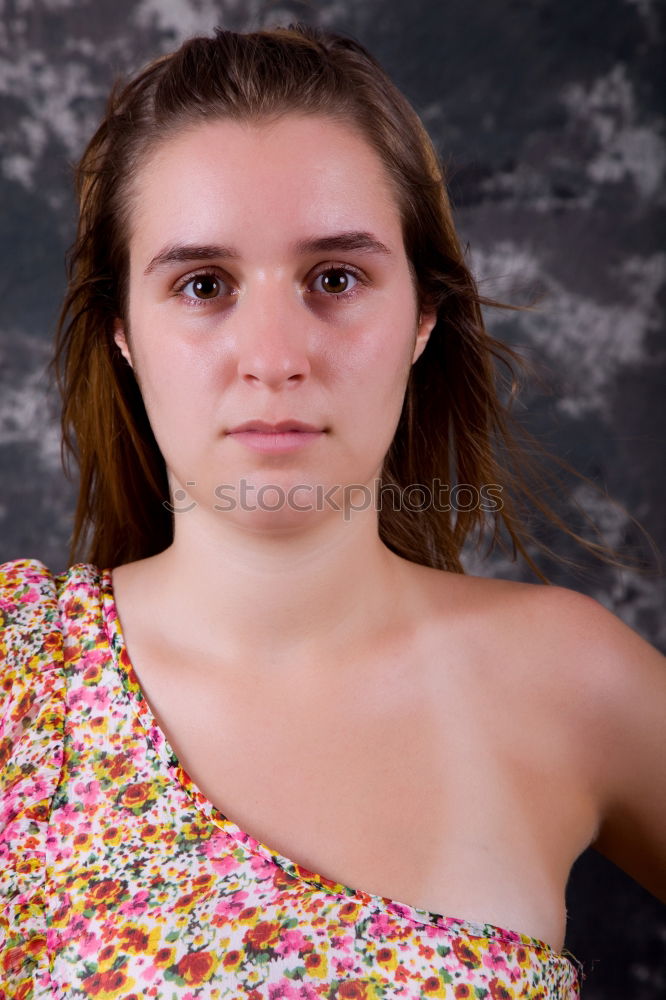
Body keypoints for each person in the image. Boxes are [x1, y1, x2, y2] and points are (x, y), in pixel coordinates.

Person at [1, 23, 664, 1000]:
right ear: (122, 331)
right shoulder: (22, 686)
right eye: (203, 285)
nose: (274, 355)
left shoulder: (572, 678)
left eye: (336, 279)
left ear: (424, 314)